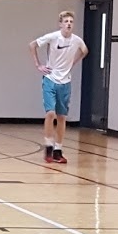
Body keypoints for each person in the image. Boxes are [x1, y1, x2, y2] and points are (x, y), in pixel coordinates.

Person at [30, 11, 88, 164]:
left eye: (71, 21)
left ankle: (58, 150)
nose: (69, 23)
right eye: (66, 21)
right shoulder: (53, 37)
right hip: (50, 79)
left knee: (62, 117)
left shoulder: (77, 41)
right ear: (60, 24)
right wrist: (38, 65)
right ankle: (48, 147)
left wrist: (72, 63)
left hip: (65, 82)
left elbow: (85, 51)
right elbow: (33, 45)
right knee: (50, 114)